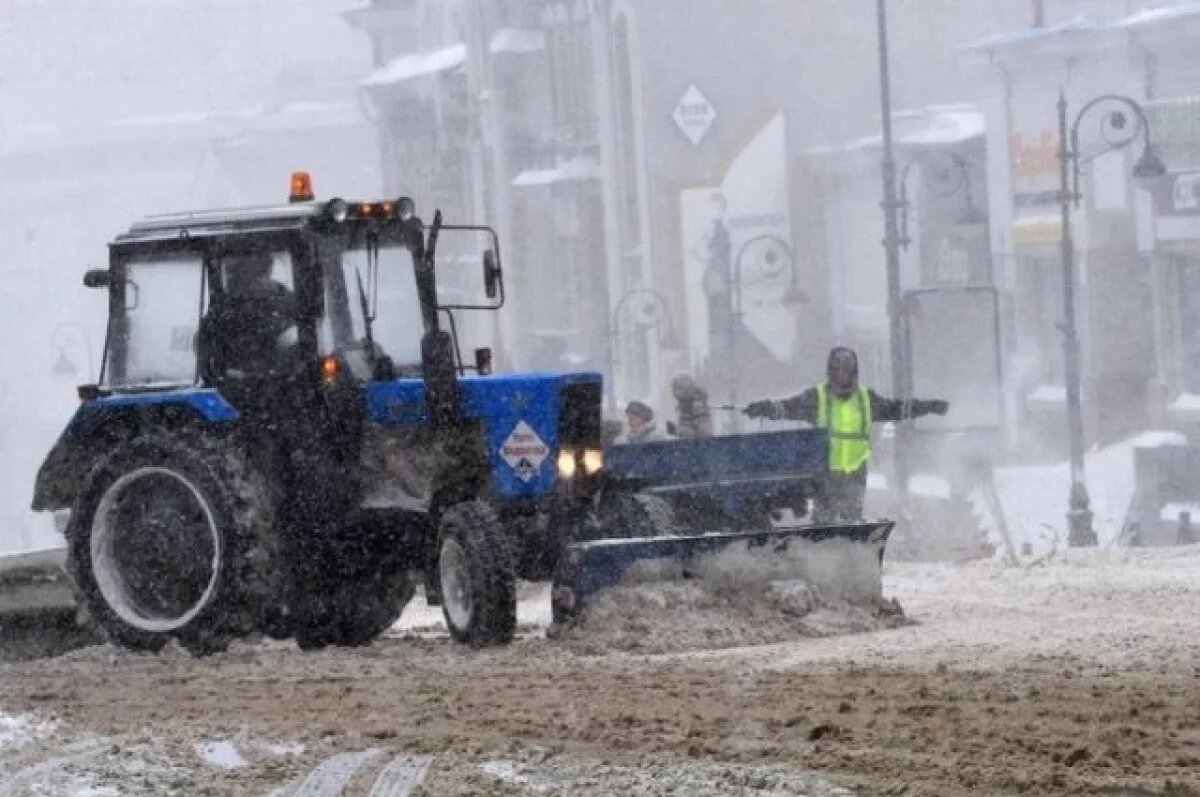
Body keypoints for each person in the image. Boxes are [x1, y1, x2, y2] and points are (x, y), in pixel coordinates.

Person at [743, 346, 949, 523]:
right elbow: (786, 408)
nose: (843, 375)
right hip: (825, 473)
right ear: (831, 372)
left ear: (854, 372)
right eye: (838, 370)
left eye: (847, 371)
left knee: (851, 518)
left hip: (855, 473)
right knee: (824, 519)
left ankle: (851, 549)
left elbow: (897, 409)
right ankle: (821, 549)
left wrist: (928, 407)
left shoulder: (866, 398)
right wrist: (763, 408)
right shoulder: (817, 398)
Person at [199, 250, 296, 379]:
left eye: (238, 269)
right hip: (229, 385)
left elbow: (296, 345)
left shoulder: (284, 302)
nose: (231, 274)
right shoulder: (222, 307)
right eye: (229, 270)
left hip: (279, 384)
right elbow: (206, 350)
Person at [670, 373, 714, 438]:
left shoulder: (698, 406)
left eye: (678, 388)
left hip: (698, 447)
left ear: (686, 389)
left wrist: (677, 430)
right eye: (673, 389)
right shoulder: (685, 406)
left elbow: (704, 434)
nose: (674, 392)